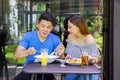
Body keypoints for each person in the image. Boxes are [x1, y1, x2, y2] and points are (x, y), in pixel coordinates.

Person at [14, 12, 64, 80]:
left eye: (48, 27)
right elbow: (17, 55)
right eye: (43, 26)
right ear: (38, 25)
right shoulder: (28, 36)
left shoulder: (55, 39)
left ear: (52, 28)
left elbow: (62, 59)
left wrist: (60, 54)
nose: (45, 30)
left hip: (47, 72)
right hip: (29, 72)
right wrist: (28, 52)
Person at [63, 14, 100, 80]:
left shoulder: (88, 38)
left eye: (70, 27)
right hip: (73, 69)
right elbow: (68, 55)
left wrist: (91, 59)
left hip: (88, 70)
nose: (68, 30)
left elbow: (96, 60)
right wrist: (68, 57)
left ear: (78, 27)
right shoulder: (70, 36)